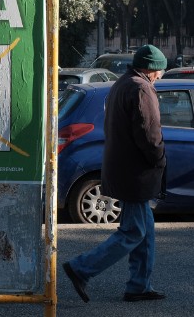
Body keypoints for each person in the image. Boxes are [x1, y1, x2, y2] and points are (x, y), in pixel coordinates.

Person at [63, 44, 168, 303]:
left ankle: (139, 285)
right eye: (161, 71)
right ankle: (81, 268)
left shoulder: (122, 83)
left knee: (146, 230)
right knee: (133, 231)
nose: (162, 75)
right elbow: (149, 134)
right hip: (135, 173)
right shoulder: (142, 88)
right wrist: (160, 159)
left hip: (123, 168)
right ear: (151, 69)